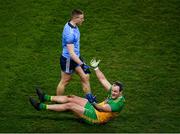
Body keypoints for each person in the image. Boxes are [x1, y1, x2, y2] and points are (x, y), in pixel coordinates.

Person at [29, 58, 125, 125]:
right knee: (71, 97)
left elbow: (101, 109)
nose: (112, 92)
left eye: (115, 92)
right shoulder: (114, 91)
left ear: (121, 92)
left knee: (70, 105)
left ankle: (40, 106)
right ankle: (44, 97)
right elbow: (103, 79)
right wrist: (96, 68)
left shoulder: (118, 104)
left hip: (96, 117)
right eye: (112, 90)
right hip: (95, 108)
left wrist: (93, 102)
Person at [57, 9, 95, 101]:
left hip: (76, 57)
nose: (83, 20)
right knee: (65, 81)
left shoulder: (73, 25)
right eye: (81, 18)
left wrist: (82, 64)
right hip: (68, 60)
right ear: (75, 18)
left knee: (85, 76)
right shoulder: (70, 33)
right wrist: (82, 64)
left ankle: (90, 100)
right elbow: (71, 53)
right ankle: (58, 100)